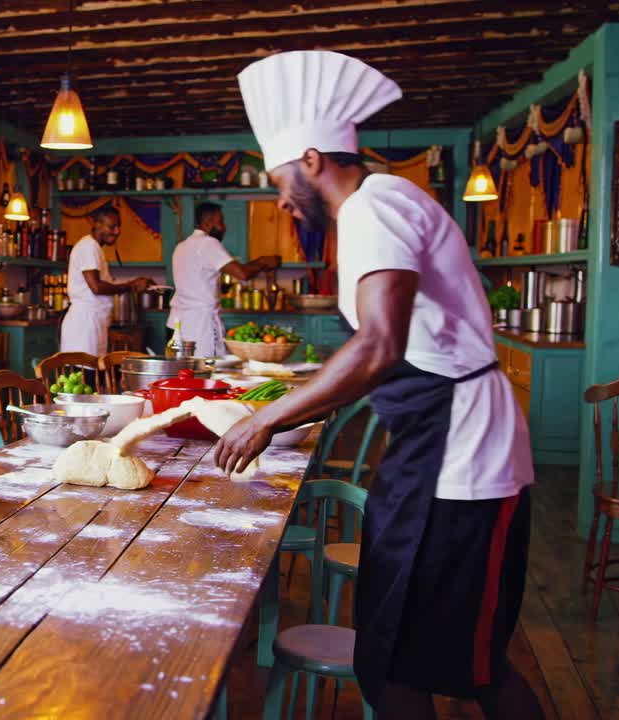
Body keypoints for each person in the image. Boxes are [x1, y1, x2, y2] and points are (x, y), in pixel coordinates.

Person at [216, 51, 542, 720]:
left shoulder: (375, 206)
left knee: (473, 669)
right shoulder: (373, 209)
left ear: (310, 160)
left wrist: (268, 417)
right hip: (429, 452)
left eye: (279, 178)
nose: (279, 198)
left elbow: (378, 344)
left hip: (467, 462)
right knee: (389, 657)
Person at [168, 202, 280, 357]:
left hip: (181, 323)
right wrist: (263, 262)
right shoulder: (207, 243)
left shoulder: (181, 246)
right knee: (207, 372)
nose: (224, 227)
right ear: (207, 223)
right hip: (201, 326)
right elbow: (242, 274)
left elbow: (236, 269)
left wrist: (260, 263)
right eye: (220, 222)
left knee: (186, 372)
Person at [60, 205, 152, 355]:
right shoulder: (88, 246)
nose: (117, 231)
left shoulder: (94, 247)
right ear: (96, 224)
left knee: (93, 373)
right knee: (85, 375)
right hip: (85, 325)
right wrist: (131, 286)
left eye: (118, 227)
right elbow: (96, 287)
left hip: (92, 323)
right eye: (112, 226)